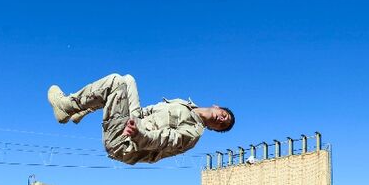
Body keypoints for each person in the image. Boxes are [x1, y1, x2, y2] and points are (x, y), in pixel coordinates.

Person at [46, 73, 235, 165]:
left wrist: (138, 135)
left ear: (214, 129)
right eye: (224, 116)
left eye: (222, 125)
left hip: (127, 142)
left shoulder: (192, 133)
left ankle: (67, 106)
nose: (221, 120)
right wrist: (134, 119)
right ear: (217, 106)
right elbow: (147, 112)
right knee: (127, 79)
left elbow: (163, 140)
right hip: (134, 122)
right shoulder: (185, 105)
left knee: (115, 82)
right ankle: (82, 111)